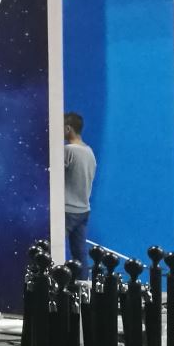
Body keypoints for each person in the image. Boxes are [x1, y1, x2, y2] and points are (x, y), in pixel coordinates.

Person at [64, 112, 96, 272]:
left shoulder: (68, 150)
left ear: (68, 128)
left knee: (50, 248)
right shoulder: (89, 152)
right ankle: (83, 283)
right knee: (80, 254)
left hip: (67, 211)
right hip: (83, 210)